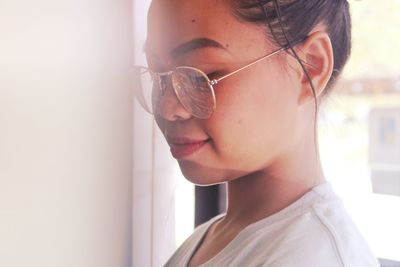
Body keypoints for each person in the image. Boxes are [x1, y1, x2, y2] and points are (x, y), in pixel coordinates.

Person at [134, 0, 380, 266]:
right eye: (158, 75)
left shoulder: (314, 257)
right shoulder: (210, 240)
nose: (168, 107)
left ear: (309, 67)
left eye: (200, 75)